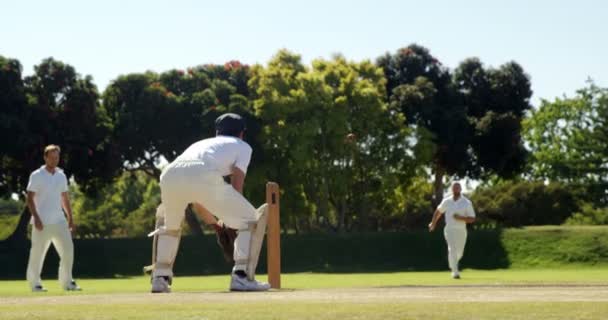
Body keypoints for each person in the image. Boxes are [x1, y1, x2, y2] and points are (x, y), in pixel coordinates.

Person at [149, 113, 270, 293]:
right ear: (242, 133)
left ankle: (160, 279)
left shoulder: (201, 145)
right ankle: (241, 277)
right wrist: (232, 219)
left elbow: (198, 202)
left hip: (169, 174)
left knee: (170, 226)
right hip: (201, 173)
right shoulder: (243, 147)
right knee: (250, 220)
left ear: (217, 132)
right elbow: (237, 181)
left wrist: (217, 225)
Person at [25, 145, 81, 292]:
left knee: (68, 251)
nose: (54, 160)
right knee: (37, 253)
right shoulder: (36, 175)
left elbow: (65, 198)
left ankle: (68, 282)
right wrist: (36, 218)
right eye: (51, 157)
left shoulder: (61, 176)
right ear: (45, 157)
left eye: (57, 157)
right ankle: (35, 283)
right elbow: (29, 198)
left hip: (59, 220)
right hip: (41, 222)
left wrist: (70, 218)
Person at [428, 182, 476, 279]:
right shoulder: (447, 201)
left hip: (461, 231)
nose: (456, 189)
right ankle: (455, 272)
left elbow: (472, 218)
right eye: (454, 188)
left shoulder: (466, 202)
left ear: (460, 189)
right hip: (449, 229)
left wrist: (460, 218)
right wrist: (433, 223)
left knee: (459, 253)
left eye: (458, 188)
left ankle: (452, 263)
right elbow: (438, 211)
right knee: (452, 249)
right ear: (452, 189)